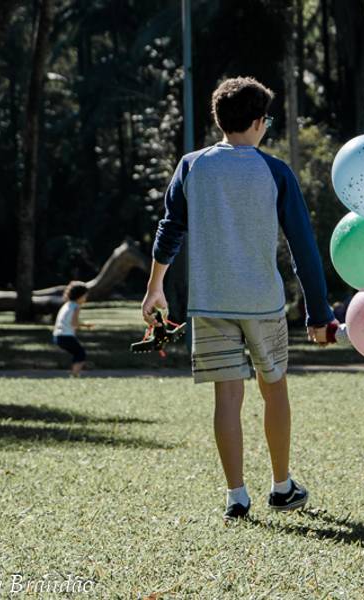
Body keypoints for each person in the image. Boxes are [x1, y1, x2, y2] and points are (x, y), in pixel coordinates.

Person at [141, 76, 336, 522]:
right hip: (262, 304)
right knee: (275, 391)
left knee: (226, 399)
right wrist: (319, 311)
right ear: (257, 121)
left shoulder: (192, 166)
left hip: (209, 304)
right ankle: (282, 486)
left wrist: (155, 288)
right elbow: (302, 246)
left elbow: (170, 227)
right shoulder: (274, 171)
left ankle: (236, 497)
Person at [53, 281, 93, 377]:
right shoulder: (76, 306)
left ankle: (75, 372)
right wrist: (85, 325)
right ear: (79, 296)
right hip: (66, 336)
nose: (85, 299)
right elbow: (74, 323)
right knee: (81, 353)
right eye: (85, 296)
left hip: (57, 335)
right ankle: (75, 374)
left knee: (77, 353)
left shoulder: (66, 305)